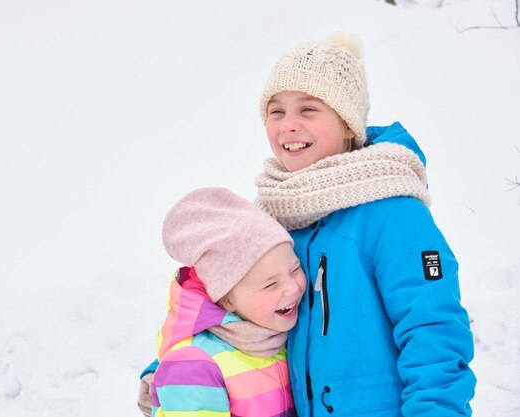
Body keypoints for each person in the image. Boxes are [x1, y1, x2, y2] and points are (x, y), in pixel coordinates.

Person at [139, 33, 476, 416]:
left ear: (349, 125)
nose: (288, 126)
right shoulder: (271, 214)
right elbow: (220, 303)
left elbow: (433, 330)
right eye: (276, 111)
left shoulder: (393, 213)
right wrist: (178, 364)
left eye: (308, 110)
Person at [146, 187, 305, 417]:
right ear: (228, 300)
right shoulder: (193, 365)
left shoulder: (275, 338)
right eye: (271, 284)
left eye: (295, 268)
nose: (292, 288)